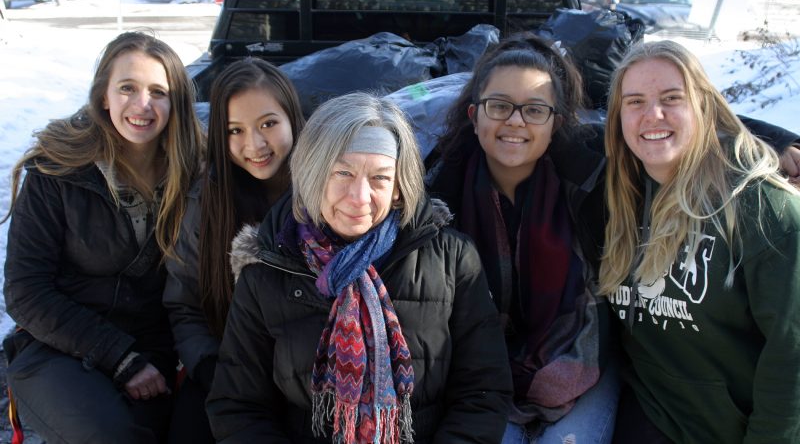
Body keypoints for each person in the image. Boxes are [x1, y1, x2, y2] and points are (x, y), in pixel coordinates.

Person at [206, 92, 513, 443]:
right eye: (343, 172)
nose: (359, 196)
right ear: (312, 174)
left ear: (399, 188)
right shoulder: (268, 269)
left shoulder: (452, 259)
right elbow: (238, 406)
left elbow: (484, 393)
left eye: (380, 178)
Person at [2, 31, 203, 443]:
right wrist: (121, 359)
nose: (141, 105)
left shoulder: (194, 174)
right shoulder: (57, 170)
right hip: (58, 347)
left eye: (158, 92)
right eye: (127, 87)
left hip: (153, 348)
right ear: (104, 96)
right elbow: (24, 290)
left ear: (176, 103)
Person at [599, 40, 800, 443]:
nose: (652, 114)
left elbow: (792, 361)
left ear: (703, 106)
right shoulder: (617, 194)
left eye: (672, 98)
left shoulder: (765, 210)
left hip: (735, 429)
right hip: (651, 414)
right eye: (634, 102)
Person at [425, 33, 618, 444]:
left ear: (556, 123)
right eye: (500, 106)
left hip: (582, 359)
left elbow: (670, 132)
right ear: (475, 117)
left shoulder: (591, 183)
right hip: (476, 371)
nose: (515, 121)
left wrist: (776, 144)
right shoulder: (440, 194)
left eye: (534, 109)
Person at [163, 57, 304, 443]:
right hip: (226, 365)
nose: (254, 145)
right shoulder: (206, 200)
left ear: (293, 116)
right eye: (235, 131)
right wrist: (211, 366)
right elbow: (184, 302)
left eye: (268, 124)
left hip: (309, 377)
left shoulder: (327, 191)